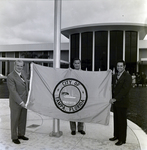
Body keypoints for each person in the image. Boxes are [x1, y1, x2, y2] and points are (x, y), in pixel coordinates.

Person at [109, 60, 132, 146]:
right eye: (118, 66)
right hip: (116, 103)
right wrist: (108, 73)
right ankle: (116, 136)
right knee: (116, 120)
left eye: (121, 66)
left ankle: (122, 139)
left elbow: (125, 90)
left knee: (122, 121)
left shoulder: (127, 76)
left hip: (122, 102)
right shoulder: (115, 76)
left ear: (124, 67)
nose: (119, 67)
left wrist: (115, 99)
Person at [7, 60, 29, 144]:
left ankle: (21, 134)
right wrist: (20, 102)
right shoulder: (10, 76)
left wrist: (27, 100)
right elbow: (13, 91)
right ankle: (14, 137)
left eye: (21, 66)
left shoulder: (23, 73)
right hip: (16, 102)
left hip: (25, 101)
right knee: (15, 120)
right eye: (18, 66)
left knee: (23, 119)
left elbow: (26, 87)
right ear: (14, 65)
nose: (20, 67)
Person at [70, 58, 86, 135]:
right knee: (72, 111)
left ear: (80, 64)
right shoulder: (70, 72)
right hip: (72, 94)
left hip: (81, 95)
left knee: (81, 111)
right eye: (75, 63)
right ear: (73, 64)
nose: (77, 64)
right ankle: (73, 129)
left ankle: (80, 128)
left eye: (78, 63)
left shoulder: (84, 73)